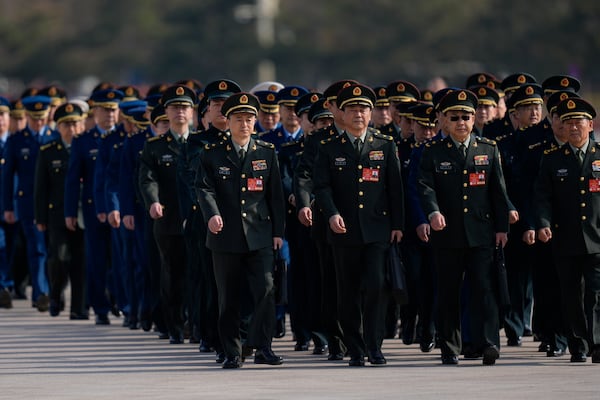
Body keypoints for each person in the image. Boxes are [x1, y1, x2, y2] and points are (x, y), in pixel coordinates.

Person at [313, 84, 404, 367]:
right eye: (352, 109)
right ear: (342, 113)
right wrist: (330, 213)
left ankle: (374, 346)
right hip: (344, 230)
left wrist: (398, 224)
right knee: (347, 291)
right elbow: (322, 186)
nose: (358, 114)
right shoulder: (329, 147)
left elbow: (395, 188)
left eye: (363, 109)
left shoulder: (384, 144)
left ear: (371, 113)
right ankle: (354, 347)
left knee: (376, 287)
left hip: (377, 228)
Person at [417, 89, 509, 366]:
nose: (461, 122)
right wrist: (432, 212)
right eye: (454, 117)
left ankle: (488, 342)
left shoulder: (488, 149)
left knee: (484, 289)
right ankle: (449, 346)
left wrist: (502, 227)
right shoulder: (432, 151)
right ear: (443, 120)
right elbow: (424, 186)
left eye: (466, 116)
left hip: (481, 231)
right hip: (447, 234)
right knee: (448, 291)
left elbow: (498, 192)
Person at [196, 92, 285, 369]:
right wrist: (212, 215)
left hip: (259, 234)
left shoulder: (267, 153)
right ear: (228, 121)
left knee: (266, 291)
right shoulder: (212, 153)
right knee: (229, 298)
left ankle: (262, 346)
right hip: (225, 237)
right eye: (238, 119)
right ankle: (232, 351)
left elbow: (276, 196)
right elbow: (203, 188)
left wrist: (278, 232)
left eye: (249, 119)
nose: (244, 124)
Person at [534, 97, 600, 363]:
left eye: (578, 123)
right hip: (566, 238)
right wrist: (543, 223)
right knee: (571, 294)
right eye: (568, 123)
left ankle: (597, 343)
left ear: (590, 124)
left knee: (595, 293)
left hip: (596, 238)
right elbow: (542, 197)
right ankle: (578, 344)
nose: (573, 128)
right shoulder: (552, 159)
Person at [139, 84, 195, 344]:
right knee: (171, 274)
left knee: (198, 274)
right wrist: (153, 201)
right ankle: (174, 325)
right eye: (175, 108)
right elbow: (147, 179)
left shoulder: (201, 144)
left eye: (184, 107)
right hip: (168, 220)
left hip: (198, 219)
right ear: (167, 112)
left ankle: (194, 324)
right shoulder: (154, 146)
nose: (180, 112)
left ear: (192, 112)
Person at [64, 88, 122, 323]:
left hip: (120, 208)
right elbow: (72, 179)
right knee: (96, 260)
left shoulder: (122, 138)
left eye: (113, 110)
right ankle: (99, 308)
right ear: (95, 112)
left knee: (120, 258)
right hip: (92, 209)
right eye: (105, 110)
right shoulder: (83, 141)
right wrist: (69, 211)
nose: (109, 114)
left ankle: (120, 299)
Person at [2, 95, 57, 312]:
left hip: (52, 204)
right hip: (27, 203)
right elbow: (7, 177)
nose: (39, 123)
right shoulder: (17, 140)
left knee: (50, 249)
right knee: (37, 247)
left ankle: (48, 290)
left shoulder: (53, 137)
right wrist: (7, 206)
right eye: (34, 119)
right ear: (26, 117)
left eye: (42, 118)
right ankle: (41, 292)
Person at [34, 102, 86, 317]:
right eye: (66, 124)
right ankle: (55, 295)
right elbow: (41, 187)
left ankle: (79, 309)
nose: (71, 128)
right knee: (60, 259)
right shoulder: (48, 152)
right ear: (58, 127)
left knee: (81, 262)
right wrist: (40, 217)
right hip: (57, 214)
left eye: (75, 123)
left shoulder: (87, 148)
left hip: (83, 214)